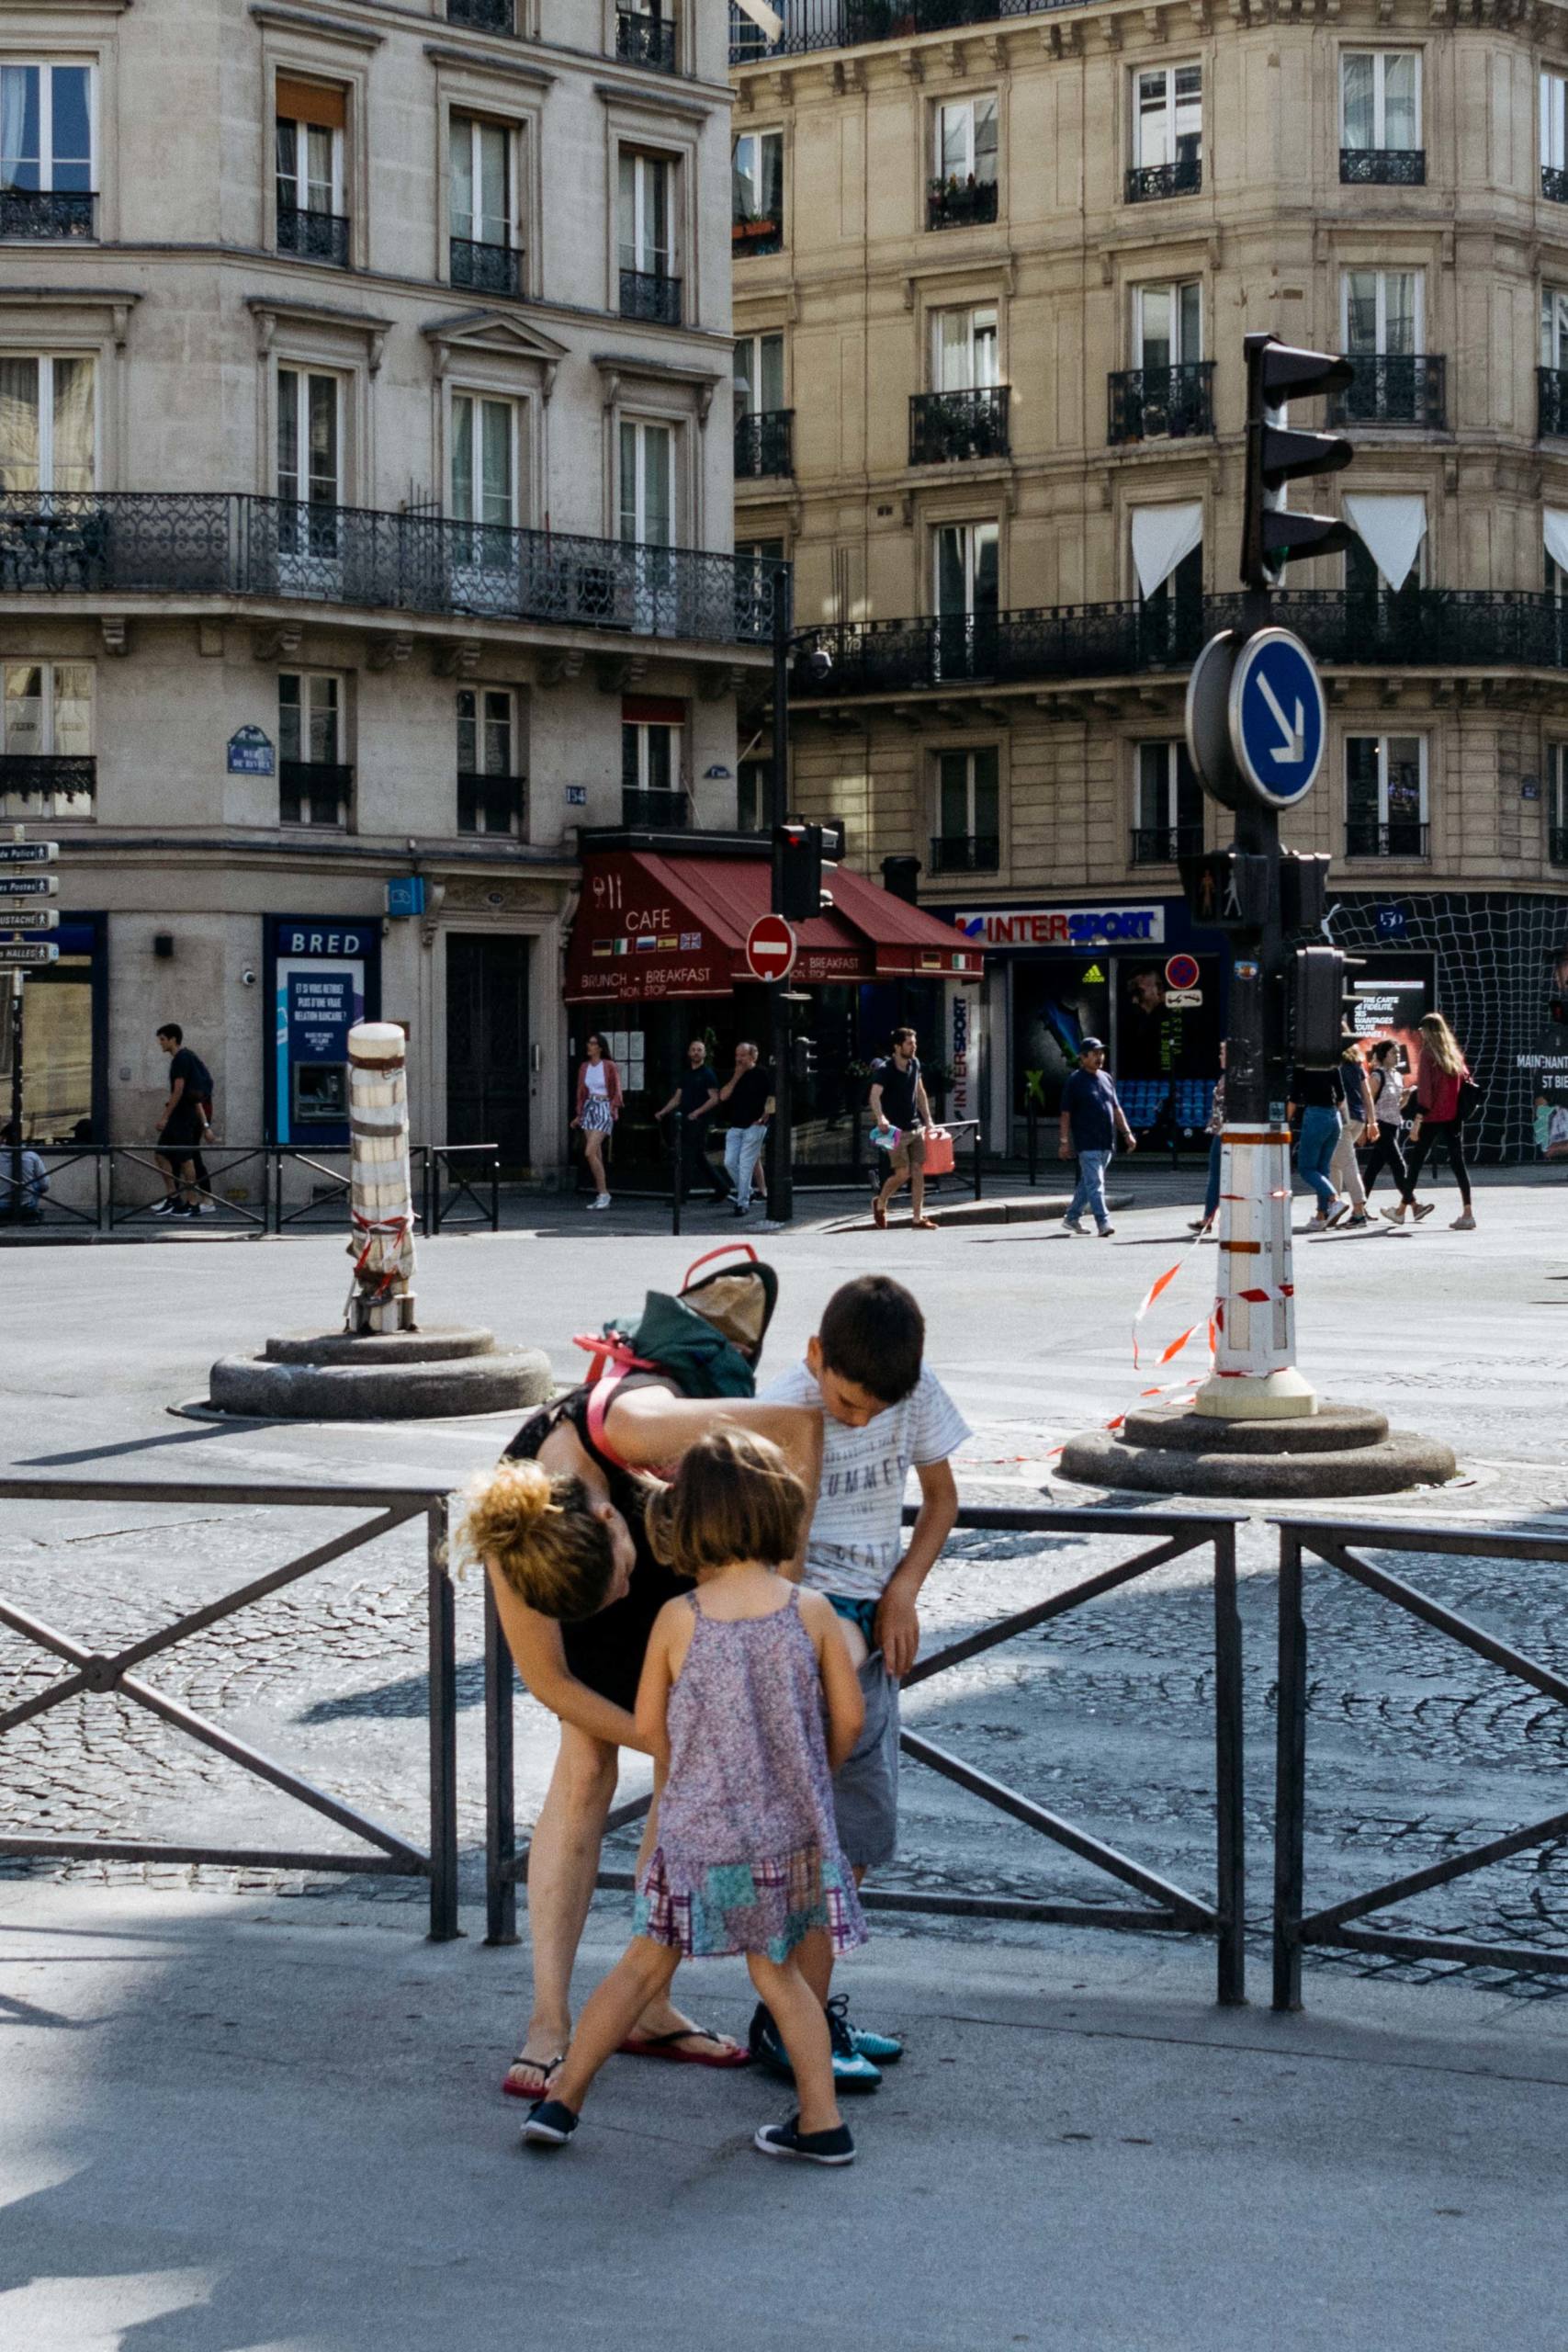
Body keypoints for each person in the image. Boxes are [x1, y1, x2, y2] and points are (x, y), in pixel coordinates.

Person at [459, 1371, 822, 2105]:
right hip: (605, 1580)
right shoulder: (516, 1527)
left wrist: (780, 1604)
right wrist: (666, 1740)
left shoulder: (632, 1428)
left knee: (678, 1782)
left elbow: (800, 1430)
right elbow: (552, 1682)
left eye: (613, 1581)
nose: (616, 1596)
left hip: (684, 1567)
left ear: (606, 1520)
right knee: (586, 1760)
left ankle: (646, 2003)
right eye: (604, 1597)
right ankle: (548, 2019)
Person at [521, 1430, 867, 2167]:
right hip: (790, 1837)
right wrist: (808, 1773)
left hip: (699, 1839)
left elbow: (651, 1728)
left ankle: (563, 2100)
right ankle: (820, 2121)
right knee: (779, 1977)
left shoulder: (679, 1619)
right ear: (777, 1510)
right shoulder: (809, 1612)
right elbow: (850, 1719)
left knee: (641, 1967)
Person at [760, 1274, 966, 2090]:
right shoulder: (783, 1405)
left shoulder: (906, 1390)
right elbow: (777, 1546)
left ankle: (802, 2010)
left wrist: (905, 1590)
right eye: (846, 1405)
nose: (860, 1421)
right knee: (813, 1845)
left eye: (875, 1411)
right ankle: (792, 2027)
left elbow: (942, 1499)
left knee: (859, 1837)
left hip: (874, 1624)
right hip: (807, 1630)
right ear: (814, 1358)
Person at [1382, 1012, 1477, 1230]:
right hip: (1454, 1116)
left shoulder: (1428, 1054)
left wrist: (1418, 1118)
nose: (1421, 1034)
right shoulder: (1454, 1055)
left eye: (1423, 1030)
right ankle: (1468, 1212)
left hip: (1433, 1116)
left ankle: (1401, 1211)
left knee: (1416, 1163)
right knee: (1458, 1163)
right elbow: (1466, 1080)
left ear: (1429, 1031)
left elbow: (1425, 1090)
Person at [1057, 1036, 1136, 1238]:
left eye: (1101, 1053)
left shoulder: (1106, 1078)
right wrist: (1064, 1141)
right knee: (1096, 1184)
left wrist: (1126, 1133)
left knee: (1088, 1182)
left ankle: (1072, 1217)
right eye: (1095, 1054)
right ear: (1083, 1057)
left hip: (1105, 1142)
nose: (1100, 1057)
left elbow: (1116, 1108)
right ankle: (1104, 1222)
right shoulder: (1075, 1080)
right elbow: (1065, 1114)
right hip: (1087, 1141)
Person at [869, 1025, 935, 1231]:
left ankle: (917, 1218)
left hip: (914, 1127)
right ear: (898, 1047)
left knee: (917, 1171)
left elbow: (920, 1092)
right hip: (894, 1131)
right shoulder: (885, 1070)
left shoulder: (915, 1064)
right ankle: (880, 1202)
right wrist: (881, 1118)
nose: (913, 1047)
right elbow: (874, 1096)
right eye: (909, 1044)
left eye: (914, 1043)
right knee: (902, 1173)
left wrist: (928, 1119)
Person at [152, 1023, 214, 1218]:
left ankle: (193, 1203)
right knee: (162, 1154)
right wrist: (205, 1125)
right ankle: (173, 1198)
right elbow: (192, 1096)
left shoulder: (181, 1059)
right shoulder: (185, 1058)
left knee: (187, 1159)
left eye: (162, 1039)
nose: (160, 1043)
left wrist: (165, 1117)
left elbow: (179, 1090)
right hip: (183, 1115)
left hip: (182, 1117)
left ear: (173, 1039)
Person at [656, 1039, 726, 1204]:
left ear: (704, 1053)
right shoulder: (686, 1074)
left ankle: (681, 1196)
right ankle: (722, 1188)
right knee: (698, 1158)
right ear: (689, 1053)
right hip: (686, 1121)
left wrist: (698, 1112)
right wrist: (663, 1112)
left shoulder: (708, 1074)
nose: (696, 1052)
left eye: (699, 1050)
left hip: (699, 1123)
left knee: (686, 1157)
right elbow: (677, 1098)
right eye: (693, 1049)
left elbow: (714, 1098)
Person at [1287, 1059, 1348, 1227]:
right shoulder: (1331, 1062)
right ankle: (1321, 1216)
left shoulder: (1302, 1064)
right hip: (1334, 1117)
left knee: (1306, 1169)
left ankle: (1334, 1200)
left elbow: (1294, 1098)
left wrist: (1285, 1122)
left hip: (1315, 1115)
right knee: (1322, 1169)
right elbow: (1341, 1096)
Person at [716, 1040, 772, 1219]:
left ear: (753, 1056)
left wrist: (766, 1114)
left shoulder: (762, 1073)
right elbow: (723, 1096)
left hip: (755, 1125)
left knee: (746, 1164)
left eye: (743, 1055)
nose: (739, 1059)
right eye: (737, 1055)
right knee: (729, 1162)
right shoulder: (735, 1074)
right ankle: (748, 1191)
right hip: (735, 1126)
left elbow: (773, 1096)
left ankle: (742, 1203)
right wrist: (736, 1076)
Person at [1360, 1039, 1418, 1209]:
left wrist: (1406, 1097)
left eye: (1399, 1052)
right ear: (1384, 1055)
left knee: (1373, 1169)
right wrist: (1367, 1126)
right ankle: (1414, 1204)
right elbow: (1368, 1102)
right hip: (1381, 1126)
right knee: (1398, 1165)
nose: (1397, 1055)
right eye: (1394, 1053)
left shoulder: (1398, 1076)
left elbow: (1397, 1105)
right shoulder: (1377, 1075)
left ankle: (1359, 1209)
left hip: (1394, 1126)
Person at [572, 1034, 622, 1212]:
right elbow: (581, 1091)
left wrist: (612, 1108)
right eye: (589, 1043)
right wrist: (579, 1114)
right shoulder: (584, 1067)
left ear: (600, 1047)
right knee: (596, 1155)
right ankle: (601, 1195)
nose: (589, 1046)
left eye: (593, 1043)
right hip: (589, 1107)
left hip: (603, 1107)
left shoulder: (609, 1066)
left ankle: (604, 1193)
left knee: (589, 1152)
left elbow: (616, 1089)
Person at [1327, 1035, 1373, 1229]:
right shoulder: (1356, 1061)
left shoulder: (1332, 1060)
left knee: (1347, 1164)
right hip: (1359, 1118)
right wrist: (1372, 1121)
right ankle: (1333, 1206)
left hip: (1343, 1118)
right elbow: (1367, 1093)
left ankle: (1358, 1212)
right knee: (1334, 1162)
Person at [1190, 1045, 1226, 1233]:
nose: (1219, 1056)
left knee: (1216, 1176)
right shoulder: (1227, 1077)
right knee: (1219, 1176)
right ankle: (1209, 1217)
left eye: (1223, 1053)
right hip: (1222, 1132)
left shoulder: (1229, 1080)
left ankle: (1208, 1218)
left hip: (1224, 1134)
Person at [0, 1123, 48, 1222]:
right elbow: (45, 1184)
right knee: (35, 1182)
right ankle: (30, 1210)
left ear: (5, 1137)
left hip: (1, 1205)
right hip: (26, 1206)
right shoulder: (32, 1156)